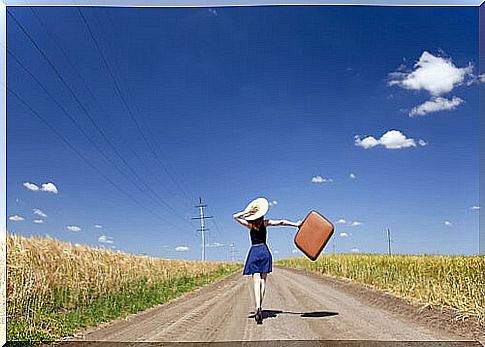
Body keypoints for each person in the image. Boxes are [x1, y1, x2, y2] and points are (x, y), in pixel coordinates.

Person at [233, 197, 301, 324]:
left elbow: (235, 217)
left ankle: (257, 307)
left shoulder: (249, 225)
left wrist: (246, 213)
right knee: (263, 281)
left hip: (254, 252)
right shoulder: (265, 223)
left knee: (256, 281)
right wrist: (295, 224)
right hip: (264, 251)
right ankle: (260, 307)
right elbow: (281, 222)